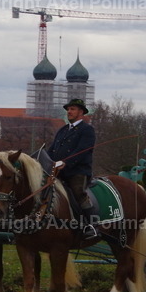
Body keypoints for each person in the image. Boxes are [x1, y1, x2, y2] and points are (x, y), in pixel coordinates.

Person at [50, 98, 96, 231]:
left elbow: (83, 151)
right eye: (68, 109)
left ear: (81, 112)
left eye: (72, 109)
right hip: (58, 171)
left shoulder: (87, 130)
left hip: (77, 172)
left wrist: (66, 163)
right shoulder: (63, 130)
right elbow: (52, 149)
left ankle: (90, 225)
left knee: (78, 192)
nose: (69, 112)